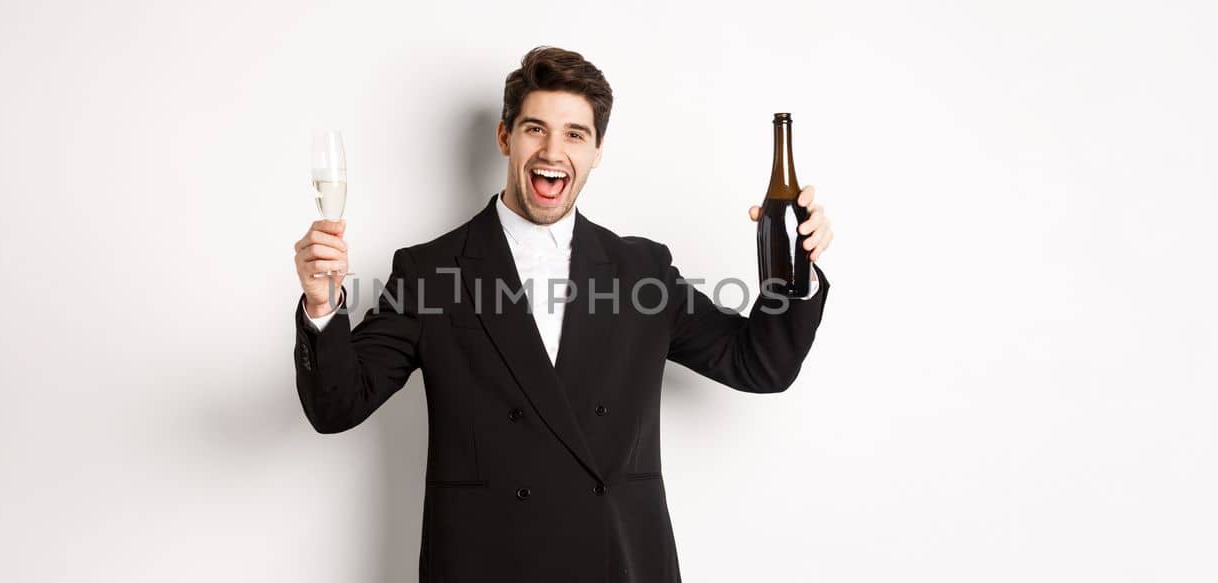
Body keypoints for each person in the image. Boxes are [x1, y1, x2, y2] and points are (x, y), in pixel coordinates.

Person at [291, 46, 833, 583]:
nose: (553, 150)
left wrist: (795, 269)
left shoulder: (641, 269)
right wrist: (322, 304)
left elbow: (761, 365)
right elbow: (337, 405)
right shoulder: (430, 270)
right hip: (486, 564)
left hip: (618, 563)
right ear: (505, 137)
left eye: (575, 134)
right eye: (535, 129)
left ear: (597, 150)